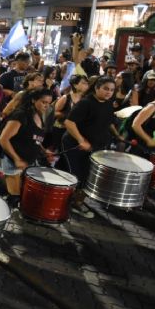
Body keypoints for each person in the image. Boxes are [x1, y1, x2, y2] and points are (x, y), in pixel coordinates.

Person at [60, 76, 119, 219]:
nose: (108, 92)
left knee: (87, 176)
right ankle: (67, 204)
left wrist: (118, 135)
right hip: (75, 146)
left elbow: (109, 122)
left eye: (111, 90)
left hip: (96, 147)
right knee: (77, 176)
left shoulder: (108, 103)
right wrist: (81, 140)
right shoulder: (86, 103)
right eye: (105, 89)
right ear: (97, 87)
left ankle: (73, 201)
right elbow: (69, 122)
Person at [0, 89, 54, 208]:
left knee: (22, 193)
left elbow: (35, 138)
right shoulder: (21, 115)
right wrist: (16, 159)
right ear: (34, 100)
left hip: (27, 161)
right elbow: (3, 139)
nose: (46, 106)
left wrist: (44, 151)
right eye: (43, 102)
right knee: (14, 196)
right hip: (12, 161)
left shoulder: (39, 115)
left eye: (49, 103)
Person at [51, 74, 89, 149]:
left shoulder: (85, 99)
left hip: (74, 131)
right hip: (61, 130)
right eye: (83, 83)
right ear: (75, 85)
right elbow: (54, 113)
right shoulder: (66, 97)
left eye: (87, 83)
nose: (86, 85)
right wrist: (67, 114)